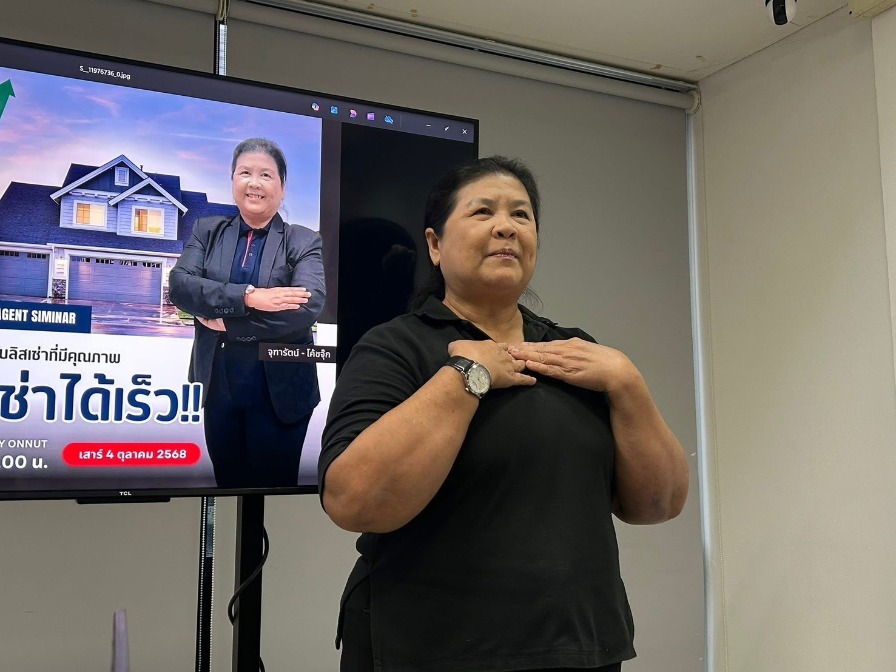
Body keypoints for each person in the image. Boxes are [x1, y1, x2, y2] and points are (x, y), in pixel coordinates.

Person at [318, 156, 689, 671]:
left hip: (580, 647)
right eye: (482, 212)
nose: (506, 227)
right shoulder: (395, 347)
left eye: (521, 214)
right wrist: (468, 376)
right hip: (428, 652)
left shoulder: (578, 353)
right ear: (434, 245)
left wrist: (628, 382)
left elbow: (658, 504)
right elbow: (353, 501)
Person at [170, 137, 325, 488]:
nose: (254, 183)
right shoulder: (207, 231)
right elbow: (181, 286)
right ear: (233, 181)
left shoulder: (303, 241)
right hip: (220, 385)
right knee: (228, 485)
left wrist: (228, 323)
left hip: (281, 389)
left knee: (273, 490)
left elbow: (307, 305)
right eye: (245, 173)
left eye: (266, 175)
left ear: (282, 188)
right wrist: (250, 297)